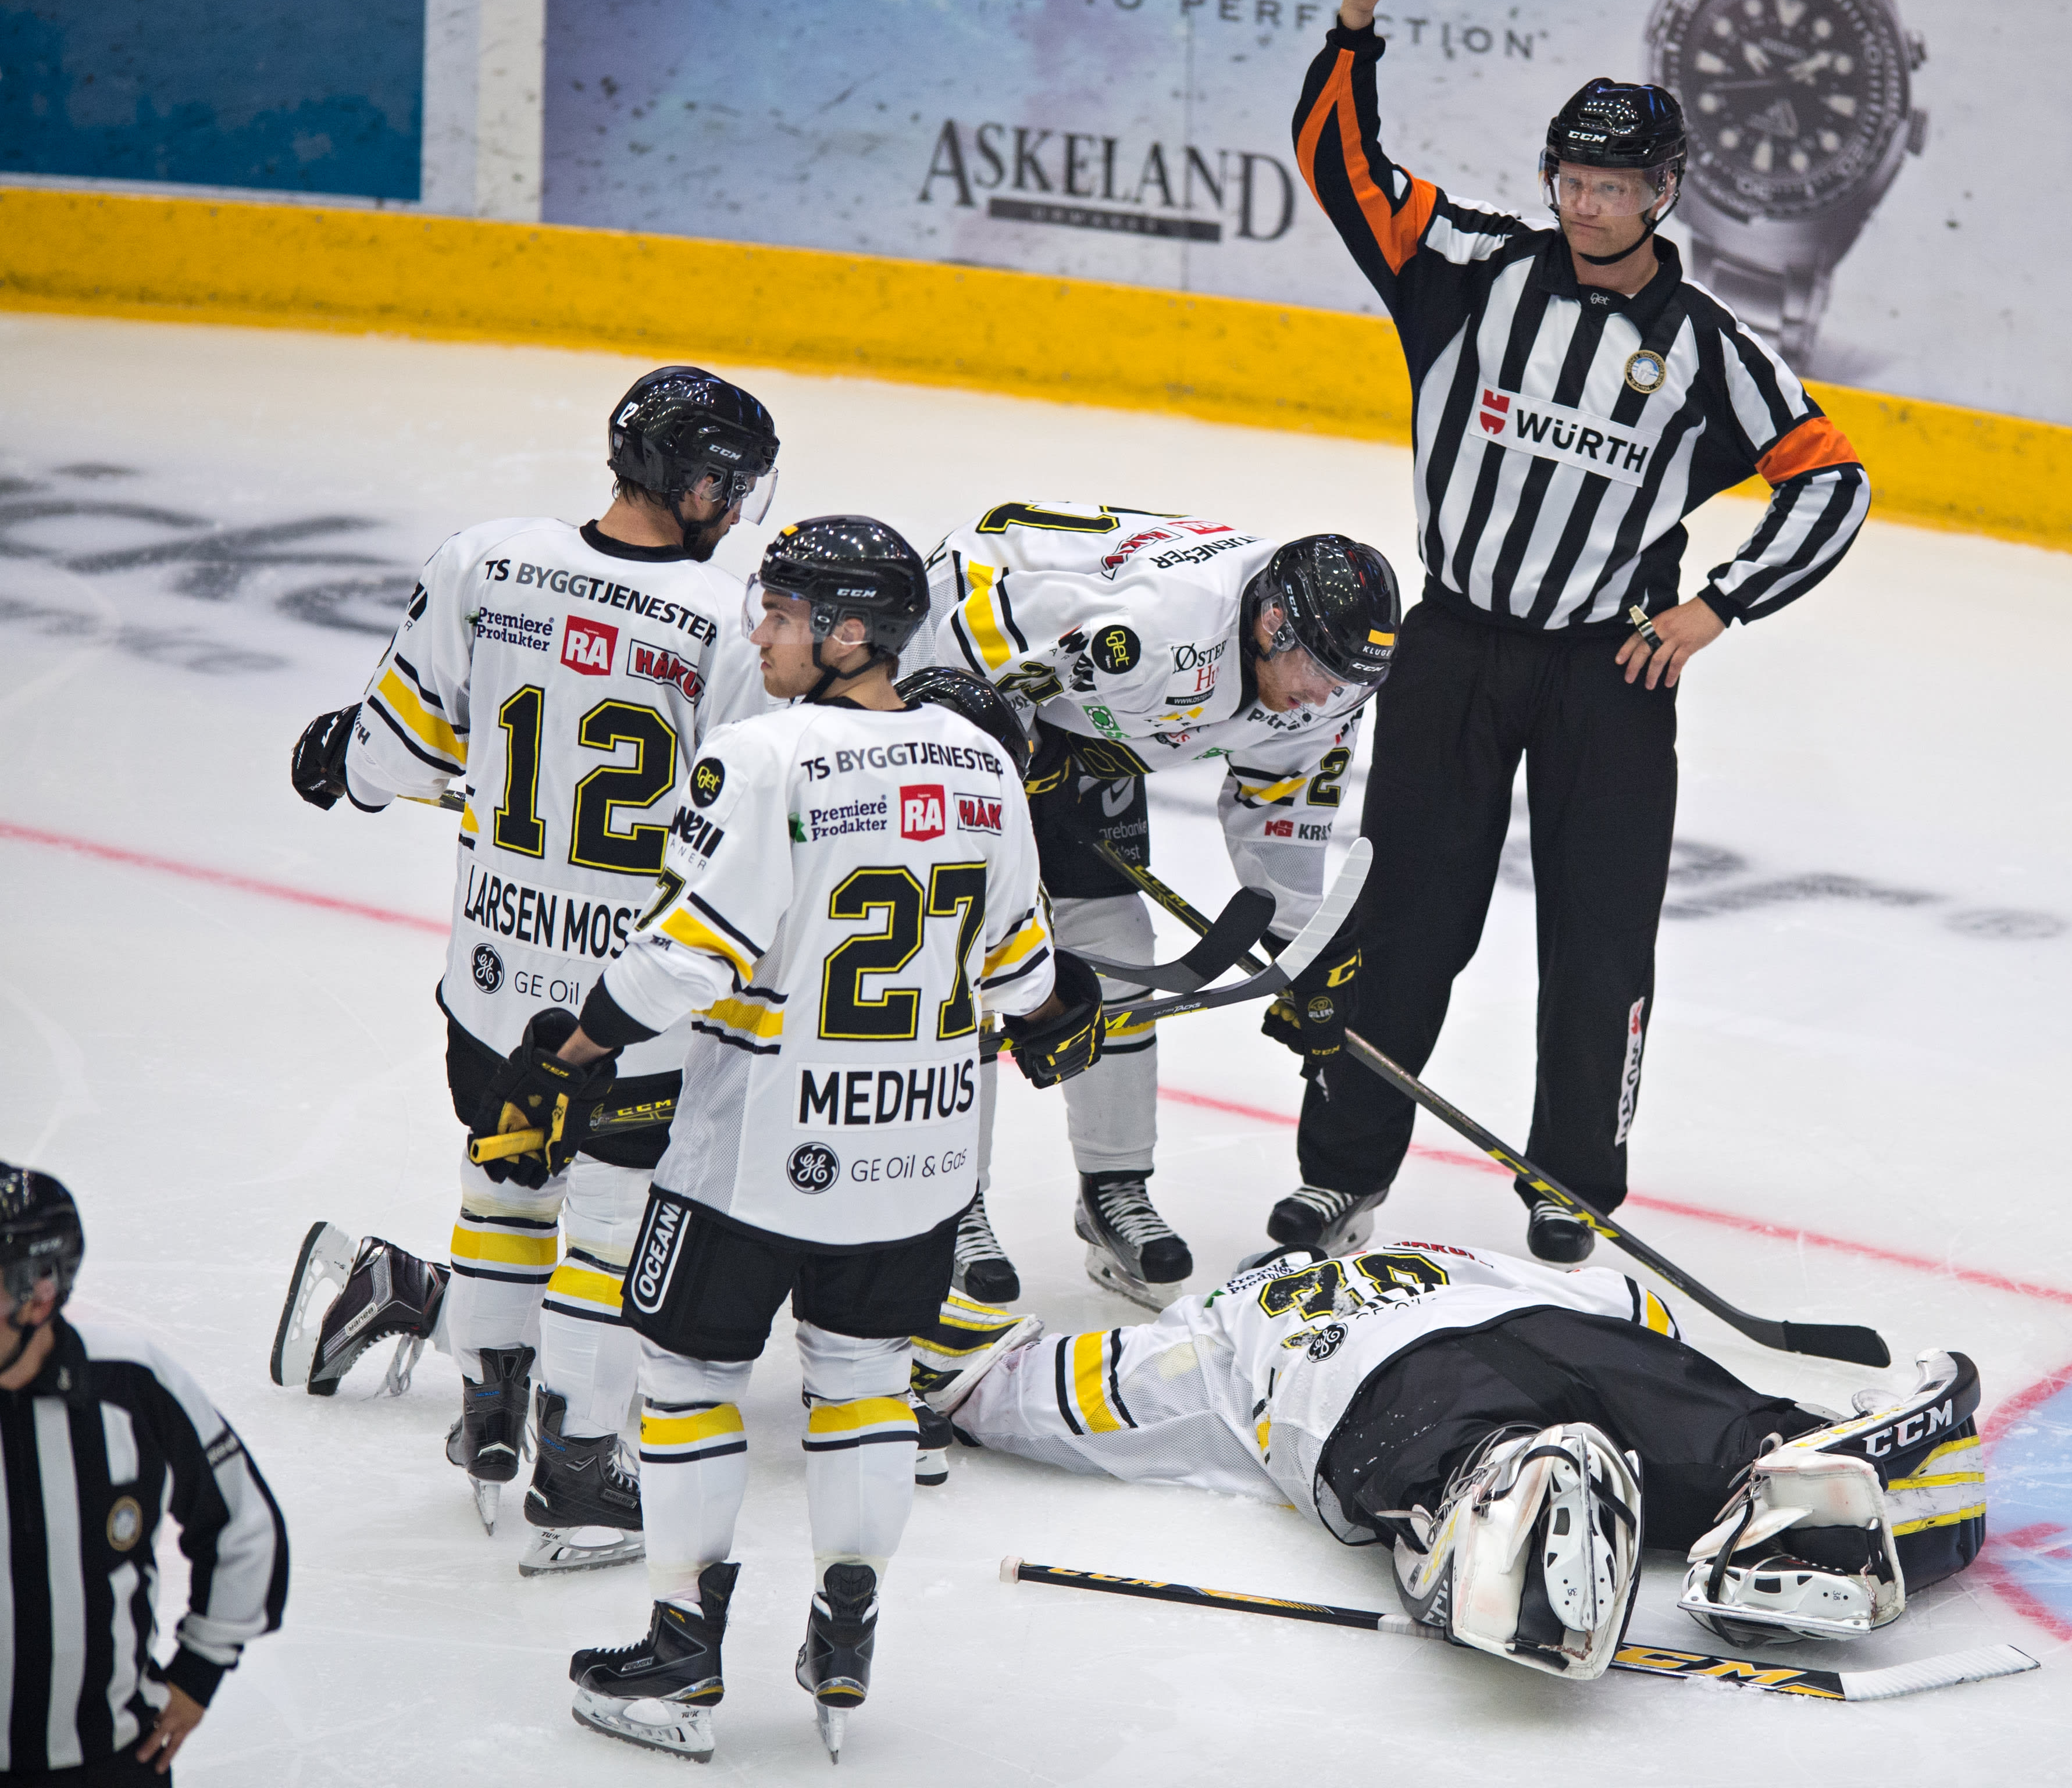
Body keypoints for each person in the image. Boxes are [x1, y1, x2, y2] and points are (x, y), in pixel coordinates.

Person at [1278, 0, 1871, 1263]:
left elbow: (1834, 481)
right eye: (1570, 178)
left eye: (1614, 185)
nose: (1586, 204)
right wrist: (1356, 25)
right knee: (1406, 915)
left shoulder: (1713, 348)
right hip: (1452, 650)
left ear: (1665, 191)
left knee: (1599, 940)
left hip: (1609, 674)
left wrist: (1718, 604)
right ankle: (1341, 1171)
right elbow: (1340, 166)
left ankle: (1572, 1182)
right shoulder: (1467, 269)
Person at [538, 517, 1104, 1764]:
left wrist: (572, 1048)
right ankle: (845, 1639)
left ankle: (682, 1652)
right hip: (916, 1169)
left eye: (784, 615)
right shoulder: (979, 762)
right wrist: (1067, 1013)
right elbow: (1021, 976)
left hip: (750, 1161)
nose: (761, 633)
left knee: (689, 1382)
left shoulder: (763, 756)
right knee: (861, 1383)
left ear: (850, 633)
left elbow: (685, 960)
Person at [270, 365, 780, 1575]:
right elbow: (748, 828)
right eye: (725, 483)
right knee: (607, 1222)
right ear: (683, 477)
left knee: (504, 1181)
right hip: (630, 1003)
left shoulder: (486, 561)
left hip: (493, 976)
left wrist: (338, 760)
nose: (733, 506)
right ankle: (581, 1468)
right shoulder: (727, 623)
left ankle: (490, 1419)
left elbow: (391, 754)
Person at [926, 1241, 1984, 1679]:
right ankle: (1779, 1477)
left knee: (1464, 1448)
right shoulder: (1447, 1250)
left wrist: (938, 1373)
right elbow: (1637, 1313)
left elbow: (1056, 1392)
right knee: (1707, 1430)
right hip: (1557, 1328)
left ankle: (1501, 1504)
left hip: (1377, 1383)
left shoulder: (1217, 1325)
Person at [899, 502, 1399, 1306]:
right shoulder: (1155, 630)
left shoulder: (1330, 682)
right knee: (972, 953)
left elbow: (1281, 812)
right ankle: (951, 1205)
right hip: (976, 643)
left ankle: (1113, 1189)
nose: (1323, 698)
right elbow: (971, 641)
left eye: (1346, 683)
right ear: (1272, 623)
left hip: (1096, 712)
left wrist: (1301, 949)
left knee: (1118, 943)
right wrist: (1012, 746)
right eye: (1317, 672)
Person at [0, 1166, 289, 1779]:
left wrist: (199, 1671)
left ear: (38, 1294)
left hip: (110, 1760)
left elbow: (244, 1523)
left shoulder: (131, 1384)